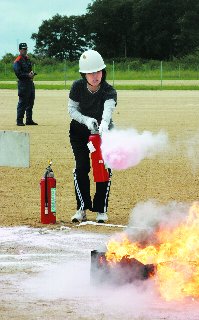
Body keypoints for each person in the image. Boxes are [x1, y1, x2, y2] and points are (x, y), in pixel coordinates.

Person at [68, 49, 117, 223]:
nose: (95, 76)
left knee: (103, 168)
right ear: (84, 75)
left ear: (103, 72)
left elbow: (108, 109)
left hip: (103, 133)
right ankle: (82, 208)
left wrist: (103, 124)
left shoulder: (109, 90)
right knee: (82, 167)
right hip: (79, 132)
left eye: (98, 71)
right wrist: (86, 120)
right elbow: (71, 110)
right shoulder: (77, 87)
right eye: (90, 73)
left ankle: (101, 210)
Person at [13, 42, 38, 126]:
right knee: (22, 102)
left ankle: (29, 120)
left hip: (30, 83)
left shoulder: (27, 59)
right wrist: (28, 75)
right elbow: (18, 74)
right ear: (19, 50)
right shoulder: (17, 61)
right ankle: (19, 120)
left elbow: (29, 70)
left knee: (31, 102)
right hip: (23, 84)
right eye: (23, 49)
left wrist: (32, 74)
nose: (25, 50)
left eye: (26, 49)